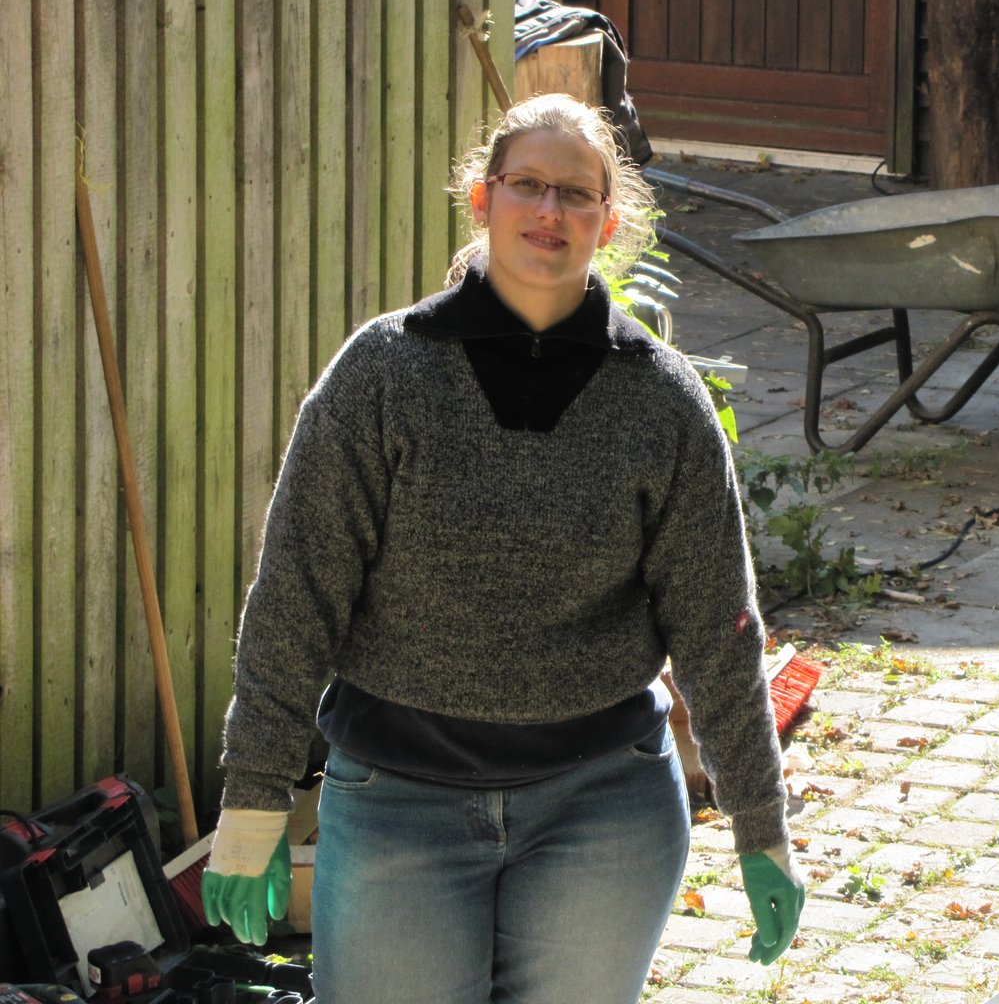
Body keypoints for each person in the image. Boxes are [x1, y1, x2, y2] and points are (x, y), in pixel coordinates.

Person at [200, 93, 804, 1003]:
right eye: (527, 185)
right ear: (483, 200)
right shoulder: (384, 374)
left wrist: (760, 823)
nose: (549, 211)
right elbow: (295, 598)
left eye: (576, 194)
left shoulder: (662, 403)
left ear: (608, 222)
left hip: (603, 813)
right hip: (399, 804)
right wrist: (254, 801)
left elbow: (719, 628)